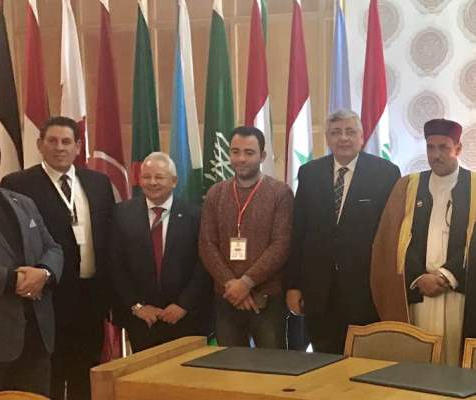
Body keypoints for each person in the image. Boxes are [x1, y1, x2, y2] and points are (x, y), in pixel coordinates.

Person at [1, 117, 115, 400]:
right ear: (40, 144)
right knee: (49, 372)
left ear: (78, 146)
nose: (59, 147)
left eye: (66, 142)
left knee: (85, 371)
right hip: (47, 297)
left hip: (91, 297)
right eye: (52, 141)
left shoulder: (99, 183)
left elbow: (109, 238)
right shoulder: (18, 184)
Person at [285, 109, 401, 354]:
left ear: (362, 137)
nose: (344, 138)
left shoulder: (386, 173)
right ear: (327, 138)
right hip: (319, 291)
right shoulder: (309, 173)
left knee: (365, 360)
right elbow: (298, 232)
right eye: (336, 132)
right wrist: (293, 285)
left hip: (365, 290)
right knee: (324, 359)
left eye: (350, 131)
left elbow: (391, 234)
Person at [371, 118, 475, 365]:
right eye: (431, 147)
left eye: (443, 147)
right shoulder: (408, 185)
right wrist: (420, 276)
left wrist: (446, 276)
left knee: (455, 361)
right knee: (418, 362)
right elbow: (391, 239)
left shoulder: (474, 186)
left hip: (460, 293)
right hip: (418, 291)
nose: (436, 155)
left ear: (458, 148)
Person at [0, 129, 63, 395]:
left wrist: (44, 273)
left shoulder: (23, 203)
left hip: (35, 337)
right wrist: (13, 280)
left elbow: (53, 248)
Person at [199, 126, 294, 348]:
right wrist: (232, 285)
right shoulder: (216, 193)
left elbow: (281, 245)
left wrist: (246, 283)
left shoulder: (280, 193)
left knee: (271, 365)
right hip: (227, 297)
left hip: (267, 300)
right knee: (230, 365)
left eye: (249, 153)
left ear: (262, 156)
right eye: (235, 152)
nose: (241, 158)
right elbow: (206, 244)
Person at [110, 152, 211, 352]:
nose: (152, 182)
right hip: (142, 319)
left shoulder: (195, 215)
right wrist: (137, 306)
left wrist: (183, 305)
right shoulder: (122, 213)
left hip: (184, 317)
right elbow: (115, 264)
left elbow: (203, 264)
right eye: (146, 177)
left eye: (159, 177)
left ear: (174, 181)